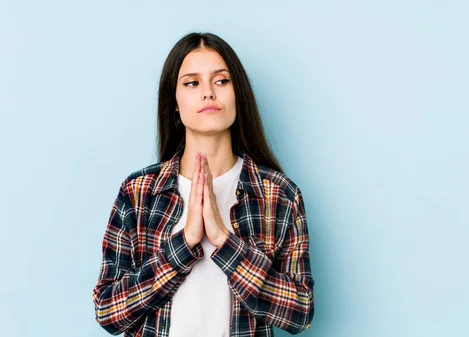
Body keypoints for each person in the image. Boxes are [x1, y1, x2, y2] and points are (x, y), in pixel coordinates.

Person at [92, 32, 315, 337]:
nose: (208, 93)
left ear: (238, 93)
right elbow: (108, 311)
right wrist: (184, 243)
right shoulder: (138, 192)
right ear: (174, 101)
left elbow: (300, 312)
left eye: (221, 81)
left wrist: (224, 240)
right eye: (192, 83)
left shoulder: (278, 195)